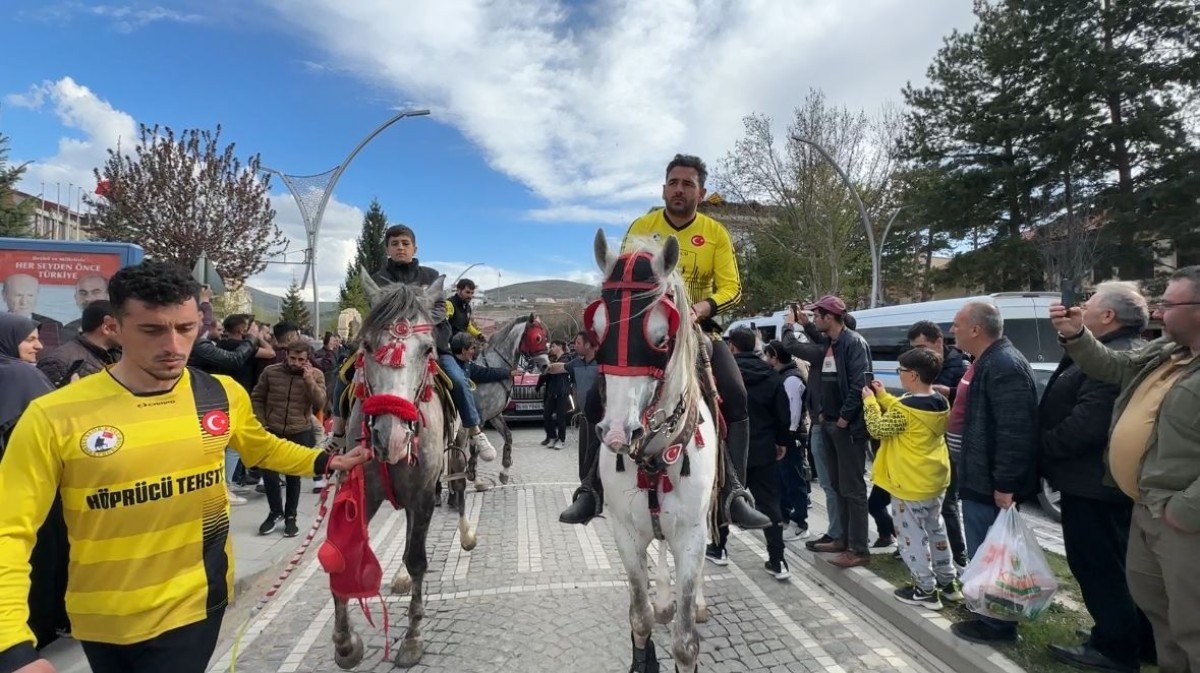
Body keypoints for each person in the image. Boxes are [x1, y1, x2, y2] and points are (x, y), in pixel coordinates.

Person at [0, 260, 370, 673]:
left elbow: (258, 447)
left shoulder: (220, 393)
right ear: (115, 326)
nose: (174, 346)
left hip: (195, 604)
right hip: (99, 616)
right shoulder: (53, 415)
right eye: (153, 330)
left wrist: (324, 459)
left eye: (186, 328)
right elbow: (9, 528)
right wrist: (12, 645)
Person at [559, 154, 771, 530]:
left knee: (736, 396)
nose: (679, 189)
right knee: (594, 399)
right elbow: (621, 278)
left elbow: (732, 289)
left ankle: (734, 491)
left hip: (698, 333)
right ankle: (589, 489)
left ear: (700, 192)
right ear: (663, 188)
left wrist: (698, 310)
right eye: (673, 182)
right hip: (643, 336)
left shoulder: (716, 234)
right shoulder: (643, 225)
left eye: (688, 184)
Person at [1050, 266, 1200, 672]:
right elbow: (1114, 366)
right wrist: (1076, 335)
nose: (1157, 311)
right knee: (1161, 613)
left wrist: (1184, 509)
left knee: (1192, 624)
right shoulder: (1168, 354)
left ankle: (1122, 650)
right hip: (1146, 505)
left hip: (1182, 519)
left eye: (1168, 304)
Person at [1040, 281, 1155, 672]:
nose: (1081, 309)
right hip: (1100, 483)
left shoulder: (1115, 357)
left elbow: (1087, 426)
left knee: (1098, 567)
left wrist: (1041, 447)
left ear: (1108, 316)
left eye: (1089, 304)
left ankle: (1115, 649)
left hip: (1093, 485)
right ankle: (1127, 636)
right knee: (1118, 566)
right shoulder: (1120, 351)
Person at [948, 301, 1039, 645]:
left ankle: (997, 626)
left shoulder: (1004, 364)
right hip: (978, 479)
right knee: (984, 553)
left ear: (975, 329)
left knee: (993, 556)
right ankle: (985, 611)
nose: (951, 331)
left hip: (990, 485)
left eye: (957, 325)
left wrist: (1004, 482)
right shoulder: (987, 360)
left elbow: (1015, 431)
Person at [862, 347, 957, 610]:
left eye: (900, 371)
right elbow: (909, 416)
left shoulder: (906, 408)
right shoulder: (939, 401)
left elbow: (878, 428)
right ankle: (948, 582)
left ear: (913, 375)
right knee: (936, 531)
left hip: (909, 483)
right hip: (935, 480)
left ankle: (925, 589)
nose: (899, 375)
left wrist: (870, 403)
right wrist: (883, 396)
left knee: (911, 538)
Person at [0, 314, 69, 651]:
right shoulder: (21, 374)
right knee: (41, 558)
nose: (38, 345)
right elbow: (59, 415)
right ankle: (38, 631)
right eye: (28, 339)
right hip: (28, 488)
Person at [794, 295, 875, 568]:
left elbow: (859, 384)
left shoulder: (853, 343)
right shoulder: (831, 342)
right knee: (839, 486)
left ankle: (859, 548)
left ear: (829, 317)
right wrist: (805, 326)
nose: (814, 320)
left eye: (817, 316)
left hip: (845, 427)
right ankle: (842, 539)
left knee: (853, 489)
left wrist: (844, 418)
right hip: (829, 423)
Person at [707, 328, 792, 578]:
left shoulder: (721, 376)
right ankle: (778, 561)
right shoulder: (771, 375)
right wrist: (781, 442)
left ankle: (719, 549)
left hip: (728, 451)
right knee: (769, 503)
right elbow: (783, 415)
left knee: (723, 498)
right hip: (763, 449)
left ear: (731, 347)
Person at [906, 320, 970, 569]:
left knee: (948, 504)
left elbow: (968, 402)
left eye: (922, 346)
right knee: (924, 502)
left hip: (949, 445)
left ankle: (959, 556)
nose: (918, 353)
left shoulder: (959, 366)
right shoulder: (919, 365)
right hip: (924, 446)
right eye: (914, 348)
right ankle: (924, 553)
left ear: (939, 341)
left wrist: (948, 393)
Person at [251, 341, 327, 538]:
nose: (295, 362)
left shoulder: (316, 375)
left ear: (308, 359)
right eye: (293, 358)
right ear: (287, 354)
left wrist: (309, 379)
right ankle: (275, 512)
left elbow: (320, 403)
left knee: (294, 476)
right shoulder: (271, 372)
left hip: (299, 429)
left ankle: (291, 516)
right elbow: (257, 397)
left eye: (301, 359)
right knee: (269, 474)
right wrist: (262, 422)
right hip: (271, 429)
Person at [436, 278, 499, 461]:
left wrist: (478, 334)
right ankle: (474, 428)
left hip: (463, 345)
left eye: (472, 293)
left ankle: (472, 421)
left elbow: (467, 325)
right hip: (450, 349)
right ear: (459, 290)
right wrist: (448, 341)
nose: (470, 296)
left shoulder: (467, 308)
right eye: (467, 292)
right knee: (459, 380)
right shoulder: (449, 305)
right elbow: (443, 323)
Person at [764, 340, 811, 541]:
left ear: (775, 356)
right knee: (783, 479)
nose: (766, 360)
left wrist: (785, 437)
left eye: (768, 356)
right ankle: (786, 517)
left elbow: (792, 414)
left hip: (791, 438)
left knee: (794, 481)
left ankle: (800, 522)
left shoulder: (791, 379)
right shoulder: (783, 375)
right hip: (784, 436)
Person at [36, 300, 121, 388]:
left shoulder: (122, 355)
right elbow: (47, 399)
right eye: (123, 325)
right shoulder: (58, 361)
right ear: (107, 328)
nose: (130, 332)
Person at [537, 340, 572, 449]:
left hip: (562, 392)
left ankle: (561, 440)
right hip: (552, 392)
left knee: (561, 418)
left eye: (553, 346)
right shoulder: (551, 360)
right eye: (551, 346)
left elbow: (559, 368)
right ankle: (552, 437)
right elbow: (545, 374)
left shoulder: (567, 358)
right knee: (546, 415)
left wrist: (550, 367)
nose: (551, 348)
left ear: (560, 347)